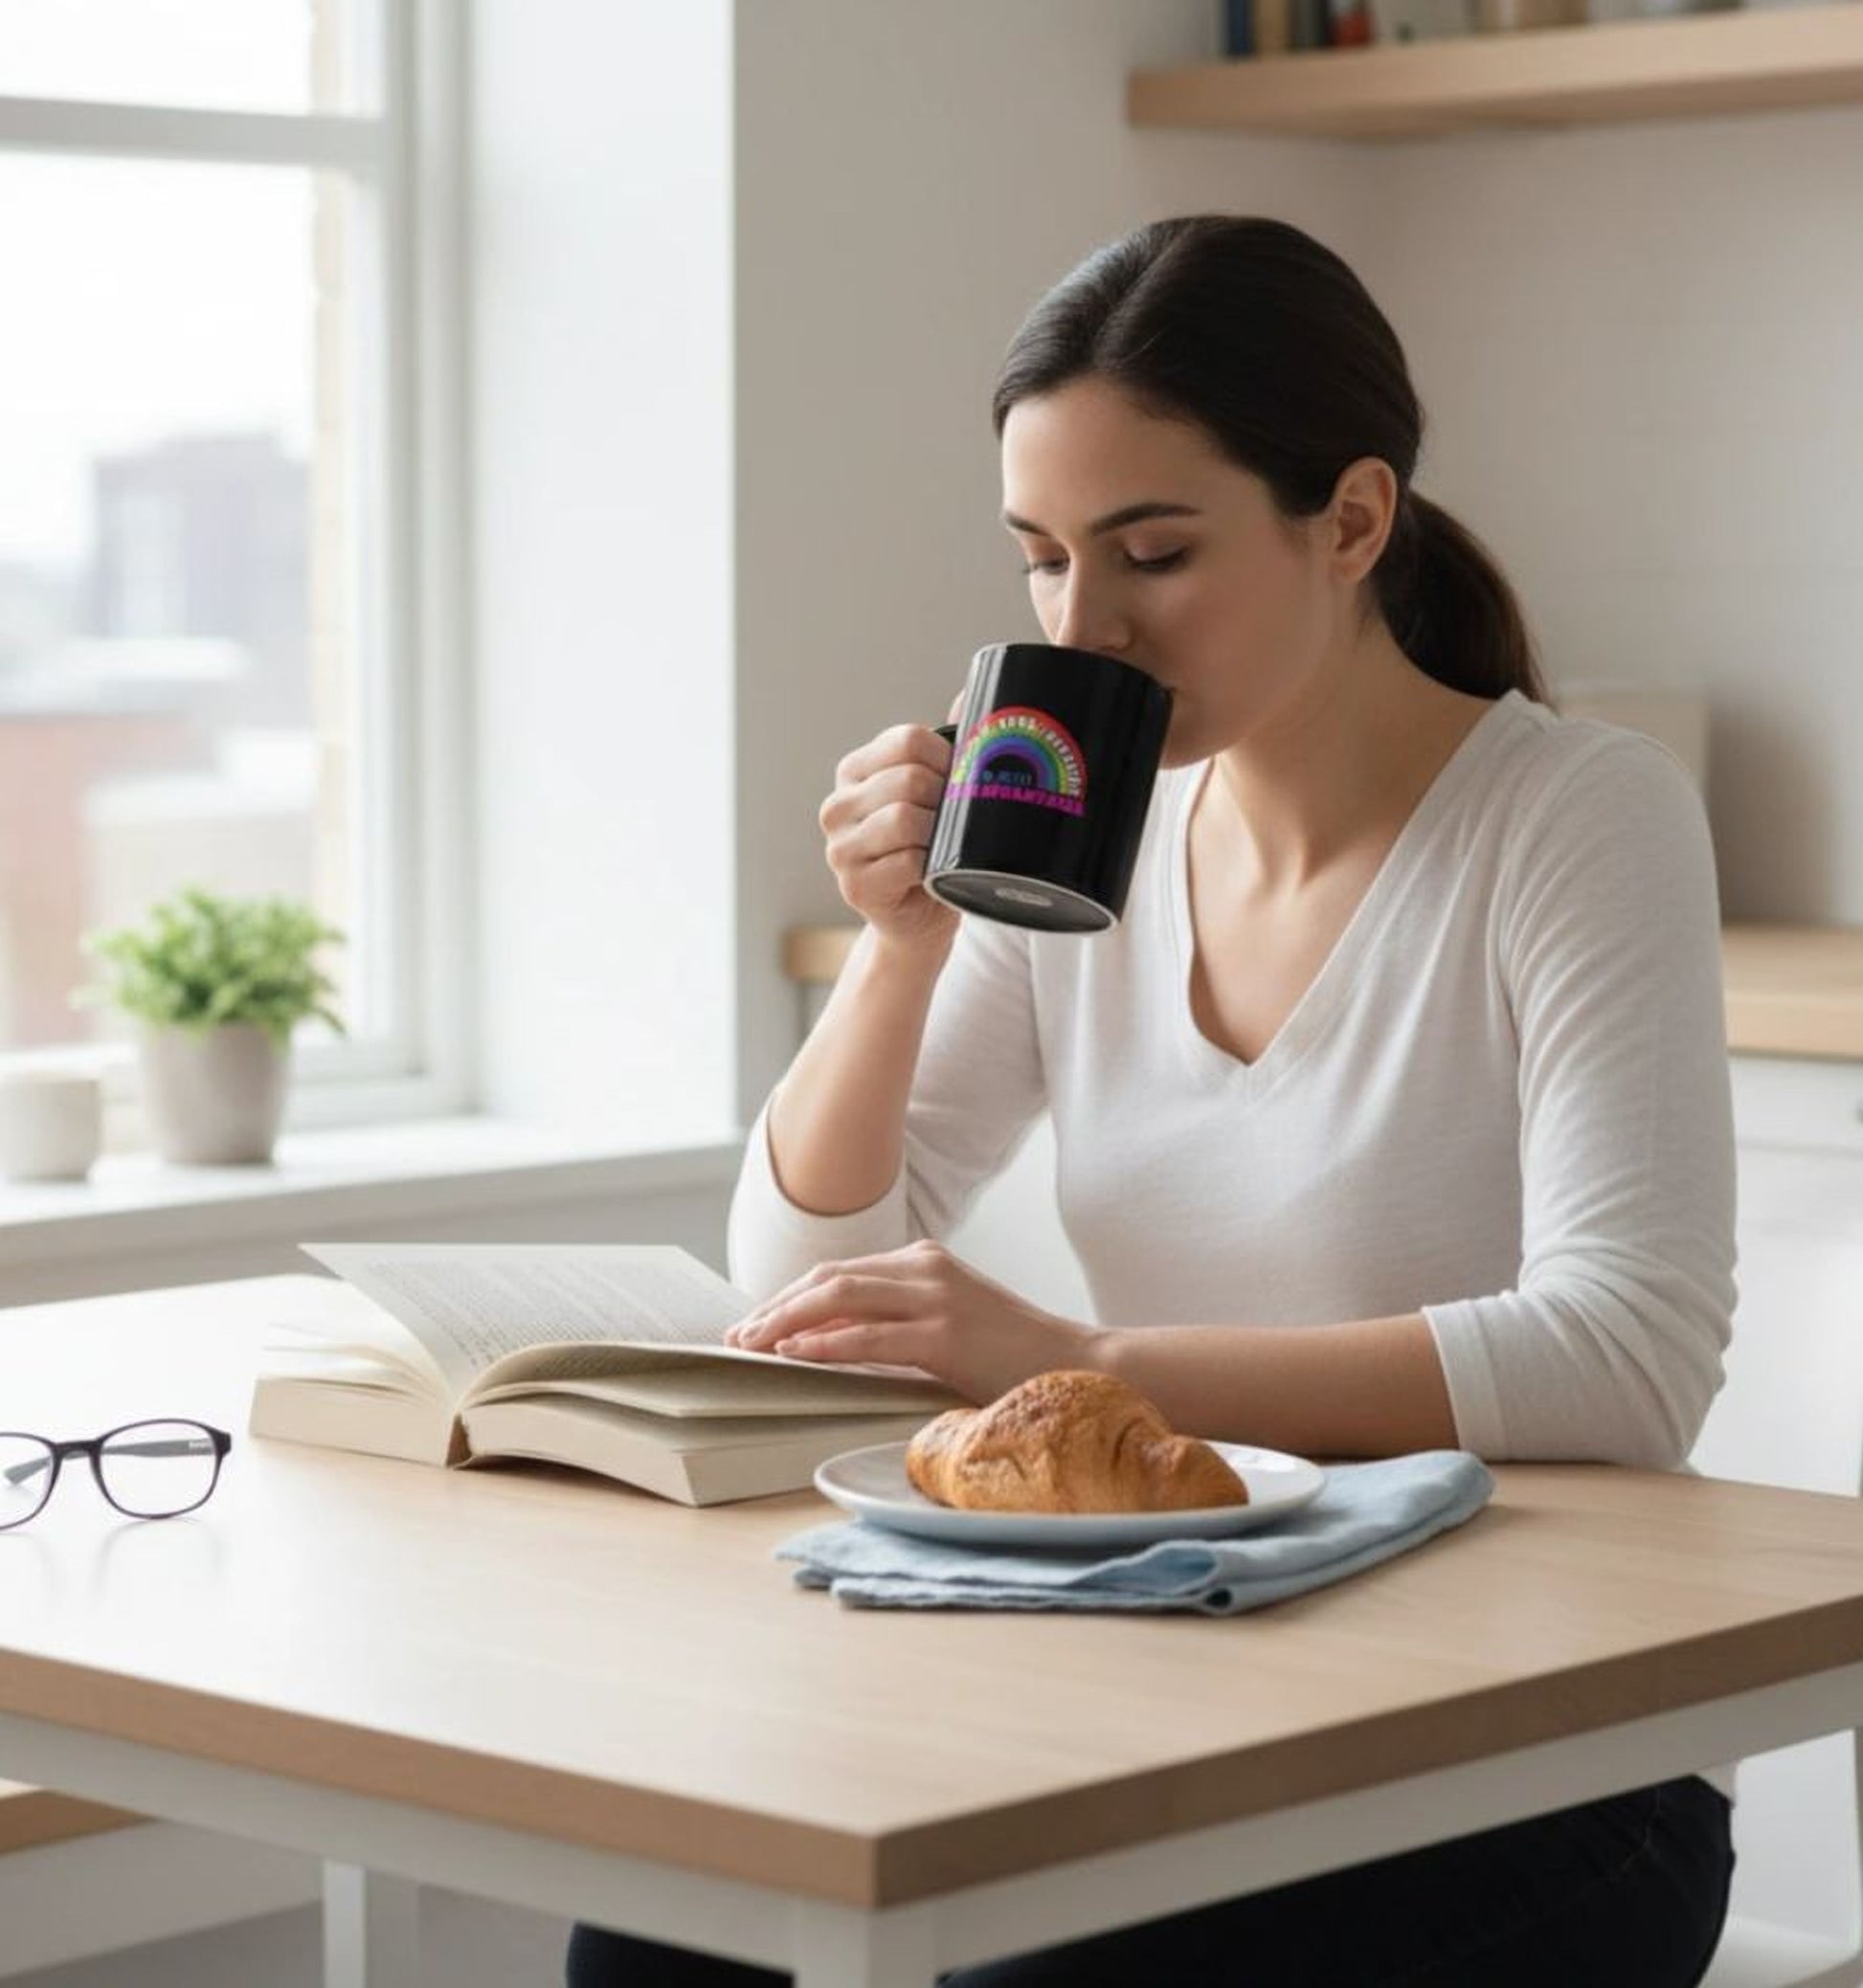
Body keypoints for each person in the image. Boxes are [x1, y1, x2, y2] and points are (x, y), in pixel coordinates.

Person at [566, 214, 1738, 1987]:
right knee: (663, 1936)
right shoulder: (1085, 841)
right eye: (1039, 559)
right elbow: (798, 1274)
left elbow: (1626, 1354)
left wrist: (1085, 1367)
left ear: (1348, 519)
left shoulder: (1573, 814)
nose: (1081, 625)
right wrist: (895, 951)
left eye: (1153, 553)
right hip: (1163, 1682)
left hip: (1527, 1764)